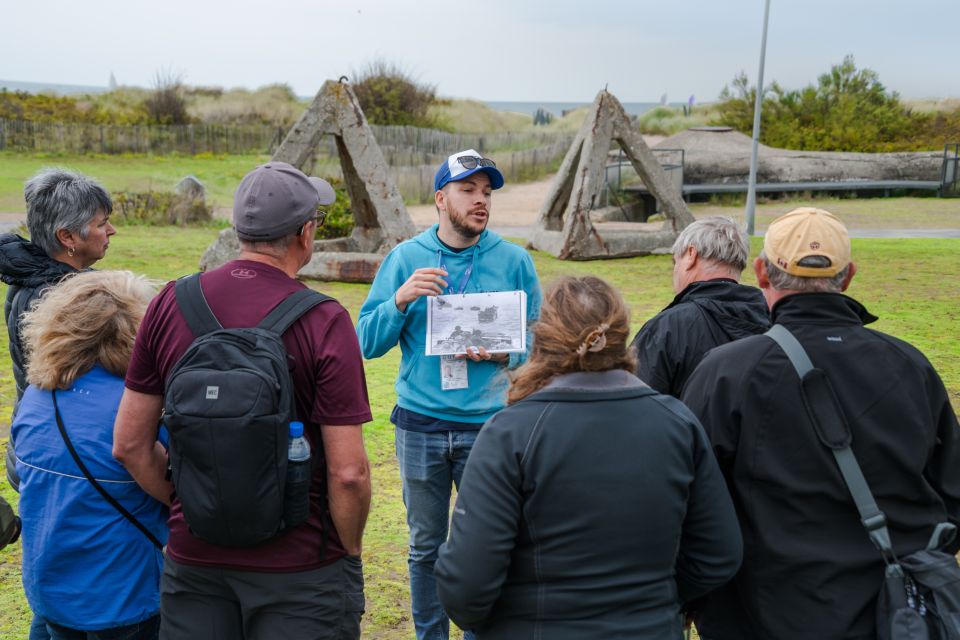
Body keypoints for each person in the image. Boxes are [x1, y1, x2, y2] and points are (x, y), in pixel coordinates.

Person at [113, 162, 373, 640]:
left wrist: (188, 499)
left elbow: (129, 444)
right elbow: (349, 473)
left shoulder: (169, 303)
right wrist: (349, 549)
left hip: (195, 563)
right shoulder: (326, 320)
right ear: (306, 232)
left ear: (239, 230)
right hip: (302, 572)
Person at [681, 207, 960, 640]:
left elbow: (690, 502)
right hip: (894, 615)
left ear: (761, 273)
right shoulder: (910, 366)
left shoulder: (727, 372)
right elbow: (952, 496)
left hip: (764, 614)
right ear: (848, 276)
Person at [434, 276, 743, 639]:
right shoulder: (677, 423)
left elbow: (467, 585)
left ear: (543, 338)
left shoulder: (511, 433)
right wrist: (657, 600)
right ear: (621, 335)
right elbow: (718, 552)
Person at [357, 149, 542, 640]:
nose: (481, 201)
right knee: (425, 547)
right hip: (419, 426)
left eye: (486, 192)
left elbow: (544, 343)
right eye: (468, 190)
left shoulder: (514, 261)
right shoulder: (405, 260)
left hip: (490, 428)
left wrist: (507, 355)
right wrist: (400, 299)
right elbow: (366, 342)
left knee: (486, 545)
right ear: (440, 199)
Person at [12, 270, 166, 640]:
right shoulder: (136, 410)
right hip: (124, 596)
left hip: (51, 591)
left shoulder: (35, 398)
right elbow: (177, 487)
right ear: (136, 331)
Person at [0, 167, 116, 640]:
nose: (111, 230)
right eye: (101, 222)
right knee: (69, 587)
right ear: (68, 237)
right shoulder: (53, 299)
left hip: (40, 445)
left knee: (54, 586)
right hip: (64, 455)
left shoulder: (44, 279)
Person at [629, 216, 768, 397]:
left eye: (675, 261)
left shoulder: (668, 328)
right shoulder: (772, 317)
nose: (675, 271)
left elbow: (633, 402)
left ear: (691, 255)